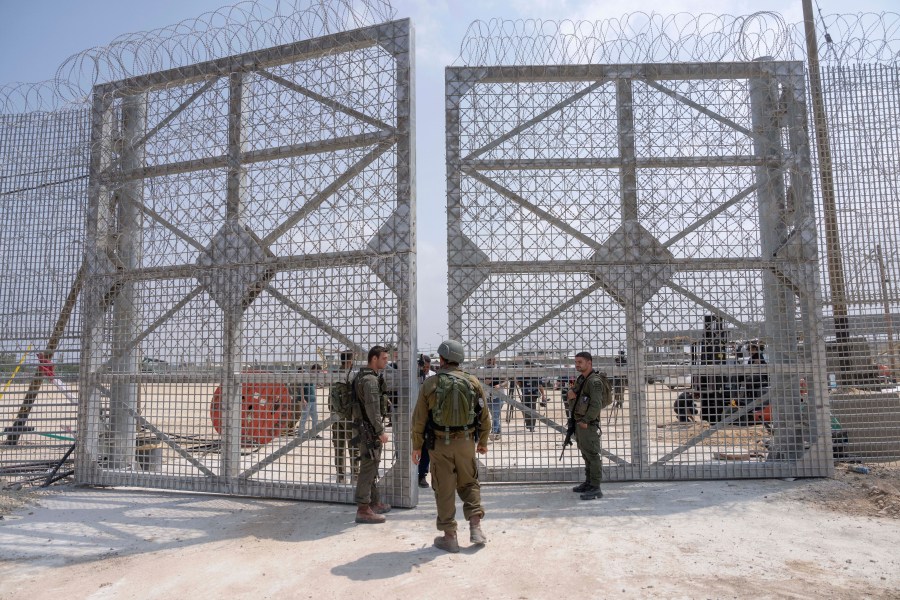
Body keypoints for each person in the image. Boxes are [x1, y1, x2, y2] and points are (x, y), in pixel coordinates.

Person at [411, 339, 491, 553]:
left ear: (442, 359)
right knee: (469, 482)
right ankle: (475, 528)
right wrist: (482, 441)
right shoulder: (472, 382)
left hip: (439, 444)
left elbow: (419, 419)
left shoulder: (431, 383)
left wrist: (417, 446)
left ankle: (450, 537)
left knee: (444, 488)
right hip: (466, 442)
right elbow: (485, 416)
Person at [352, 345, 392, 524]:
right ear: (374, 359)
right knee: (368, 467)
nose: (387, 361)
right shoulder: (370, 380)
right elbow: (373, 408)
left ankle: (374, 502)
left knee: (372, 464)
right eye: (384, 358)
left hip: (364, 428)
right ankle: (363, 508)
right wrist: (380, 431)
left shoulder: (362, 376)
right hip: (369, 429)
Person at [567, 351, 609, 500]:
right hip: (580, 422)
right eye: (576, 362)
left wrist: (586, 420)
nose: (577, 365)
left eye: (580, 362)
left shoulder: (594, 381)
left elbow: (596, 404)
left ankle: (596, 487)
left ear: (589, 363)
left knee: (592, 455)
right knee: (586, 454)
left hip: (588, 424)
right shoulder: (582, 379)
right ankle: (589, 482)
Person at [332, 351, 357, 484]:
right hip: (349, 416)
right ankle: (355, 475)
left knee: (338, 447)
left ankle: (340, 476)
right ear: (349, 361)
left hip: (335, 416)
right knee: (353, 446)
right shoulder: (352, 375)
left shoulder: (334, 374)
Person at [416, 354, 436, 488]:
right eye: (424, 367)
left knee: (426, 446)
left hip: (428, 414)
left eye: (427, 367)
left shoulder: (434, 376)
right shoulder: (414, 374)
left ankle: (422, 475)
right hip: (413, 413)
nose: (425, 369)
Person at [518, 361, 547, 432]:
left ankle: (532, 426)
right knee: (524, 409)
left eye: (529, 366)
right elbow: (519, 383)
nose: (528, 368)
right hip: (525, 394)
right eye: (527, 366)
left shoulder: (535, 375)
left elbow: (540, 386)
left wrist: (543, 395)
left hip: (533, 394)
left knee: (532, 410)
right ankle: (528, 424)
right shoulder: (523, 374)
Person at [483, 356, 505, 441]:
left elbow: (506, 381)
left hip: (498, 395)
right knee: (494, 415)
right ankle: (498, 432)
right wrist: (484, 382)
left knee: (495, 414)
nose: (488, 361)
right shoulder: (483, 370)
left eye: (490, 359)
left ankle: (494, 432)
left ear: (494, 360)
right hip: (488, 396)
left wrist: (500, 385)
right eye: (487, 360)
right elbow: (477, 380)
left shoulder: (499, 369)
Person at [296, 366, 320, 439]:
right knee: (304, 417)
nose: (318, 373)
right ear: (313, 369)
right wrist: (303, 399)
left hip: (312, 400)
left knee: (315, 417)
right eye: (317, 371)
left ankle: (314, 434)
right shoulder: (306, 376)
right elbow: (302, 388)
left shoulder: (312, 377)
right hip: (307, 400)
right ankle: (300, 434)